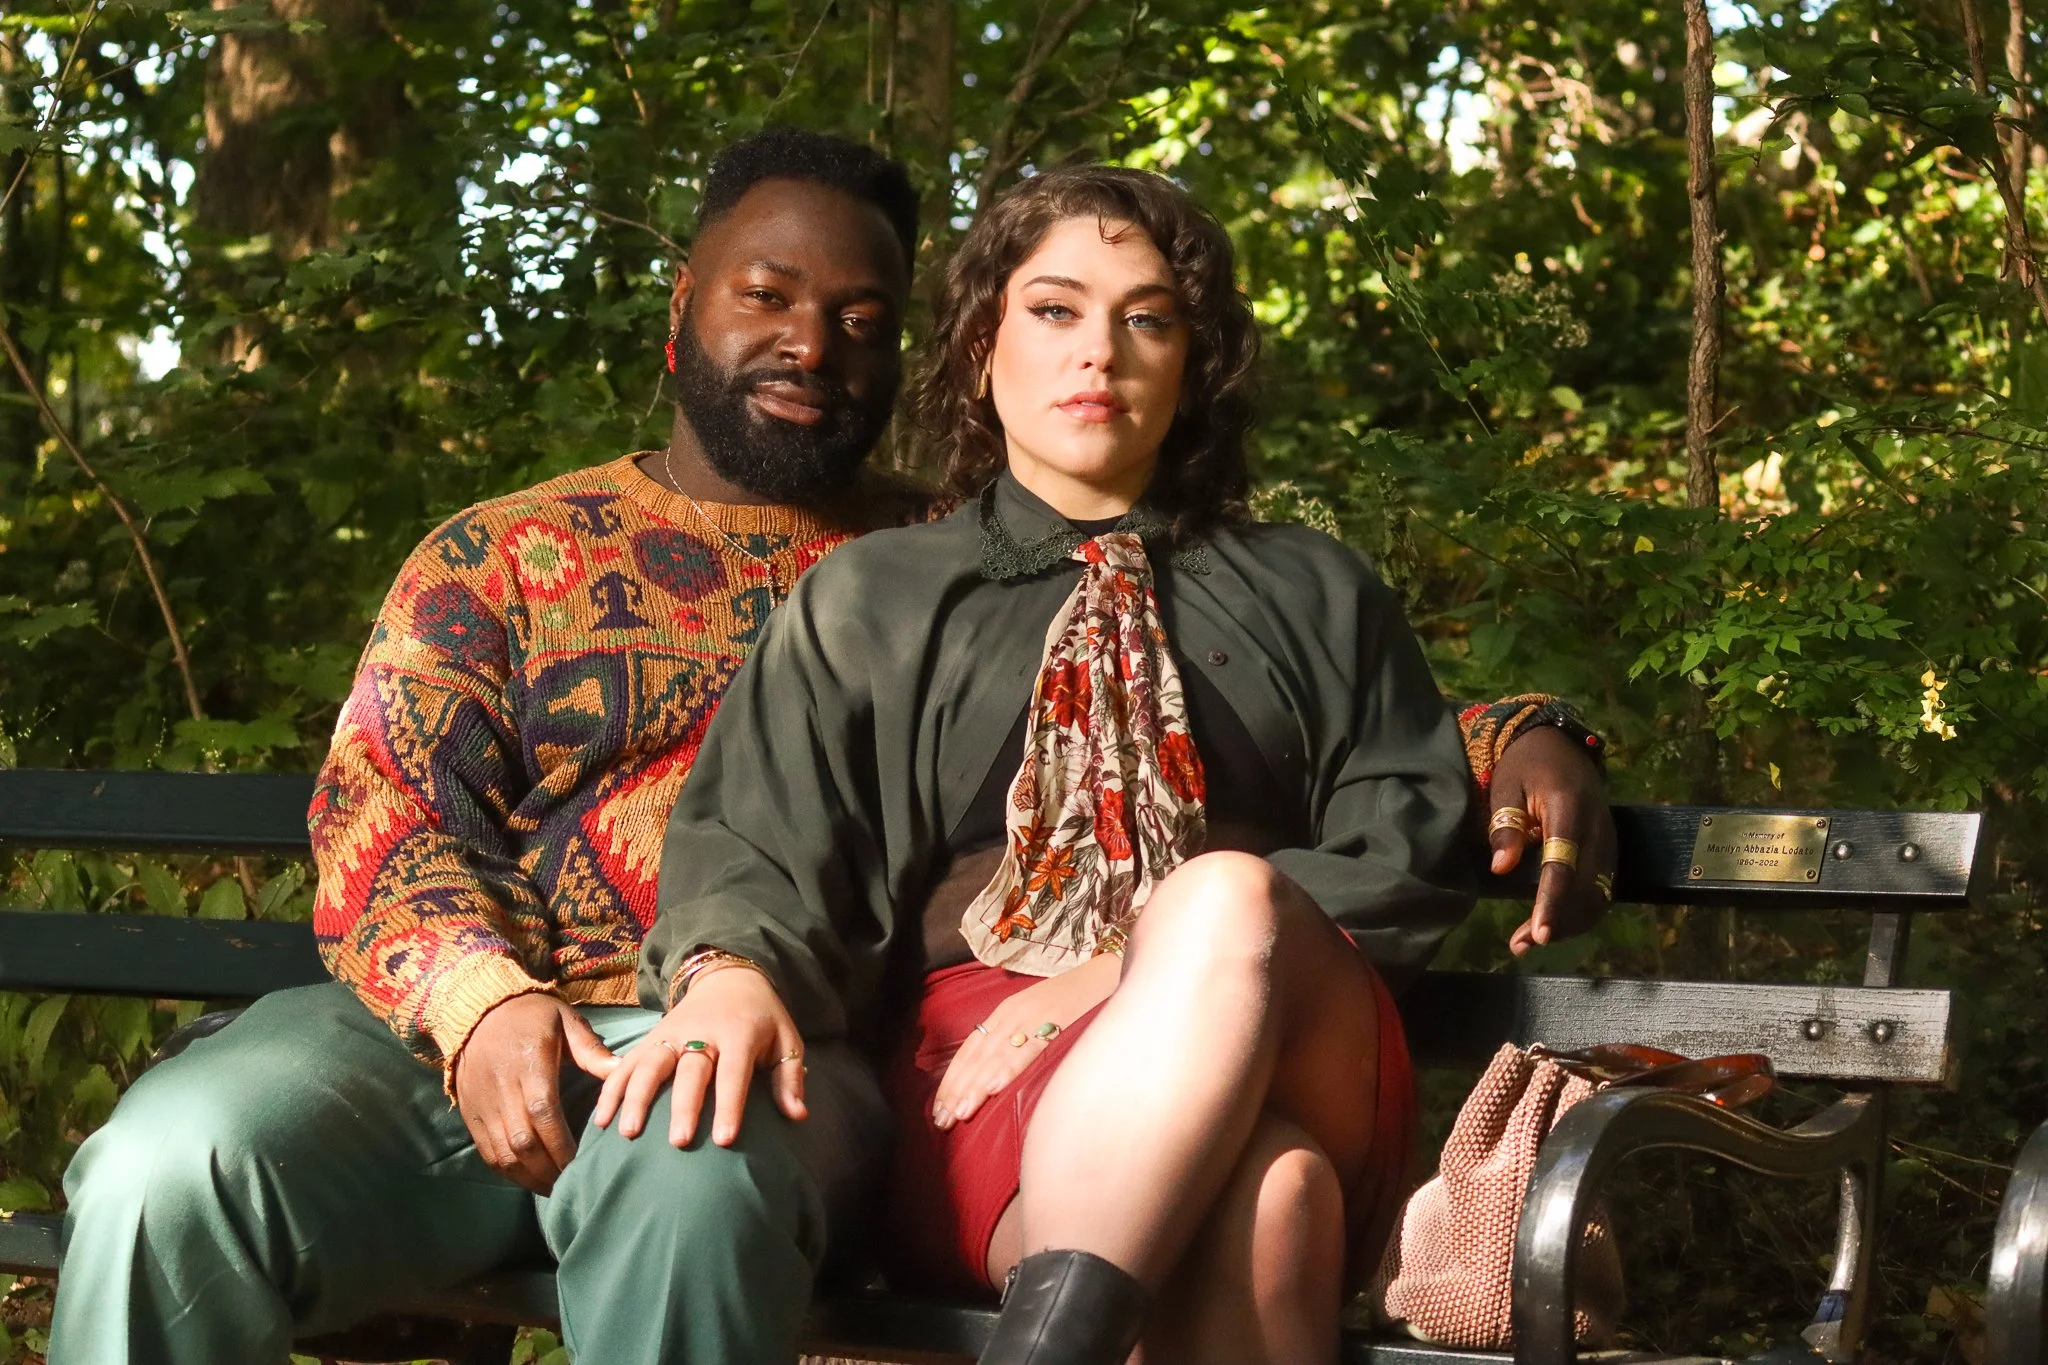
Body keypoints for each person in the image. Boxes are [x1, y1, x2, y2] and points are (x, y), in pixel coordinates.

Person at [51, 127, 1606, 1363]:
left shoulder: (947, 545)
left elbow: (1214, 684)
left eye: (860, 318)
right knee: (170, 1161)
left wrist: (1519, 735)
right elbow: (382, 816)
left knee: (698, 1169)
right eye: (768, 298)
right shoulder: (506, 556)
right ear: (684, 312)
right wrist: (480, 1003)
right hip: (481, 1022)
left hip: (773, 1042)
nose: (813, 342)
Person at [623, 161, 1617, 1365]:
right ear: (983, 345)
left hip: (1299, 1032)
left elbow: (1398, 847)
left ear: (1191, 364)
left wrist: (1113, 975)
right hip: (985, 1080)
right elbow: (757, 850)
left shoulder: (1315, 590)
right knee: (1267, 1201)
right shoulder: (870, 598)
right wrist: (725, 975)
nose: (1098, 350)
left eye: (1145, 317)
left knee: (1227, 895)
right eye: (1053, 309)